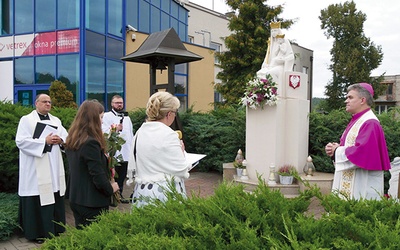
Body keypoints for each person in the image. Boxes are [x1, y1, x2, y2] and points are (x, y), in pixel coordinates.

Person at [15, 94, 68, 243]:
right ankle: (38, 233)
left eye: (50, 102)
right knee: (38, 197)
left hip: (53, 166)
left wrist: (61, 140)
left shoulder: (55, 120)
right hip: (35, 169)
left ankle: (56, 228)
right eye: (44, 101)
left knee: (54, 195)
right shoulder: (27, 120)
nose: (48, 104)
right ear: (36, 103)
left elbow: (66, 136)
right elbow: (21, 141)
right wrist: (44, 141)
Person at [325, 83, 391, 200]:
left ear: (362, 100)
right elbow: (351, 146)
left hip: (361, 182)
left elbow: (362, 152)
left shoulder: (370, 122)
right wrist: (336, 149)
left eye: (350, 97)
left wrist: (337, 151)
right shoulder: (358, 120)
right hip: (353, 179)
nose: (346, 101)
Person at [127, 92, 191, 207]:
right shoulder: (169, 135)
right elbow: (181, 168)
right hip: (165, 192)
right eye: (175, 112)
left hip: (142, 191)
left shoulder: (139, 133)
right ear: (169, 114)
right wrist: (182, 152)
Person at [65, 100, 119, 227]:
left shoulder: (73, 139)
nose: (102, 121)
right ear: (93, 119)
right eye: (101, 117)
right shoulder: (90, 143)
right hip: (92, 202)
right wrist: (110, 189)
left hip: (76, 198)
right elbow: (96, 174)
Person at [102, 95, 134, 203]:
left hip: (126, 151)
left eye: (121, 102)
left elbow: (130, 134)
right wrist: (115, 129)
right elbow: (104, 132)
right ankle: (111, 196)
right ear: (112, 104)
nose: (119, 105)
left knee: (122, 175)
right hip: (114, 152)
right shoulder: (107, 116)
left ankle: (119, 195)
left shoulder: (127, 118)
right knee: (113, 175)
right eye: (117, 103)